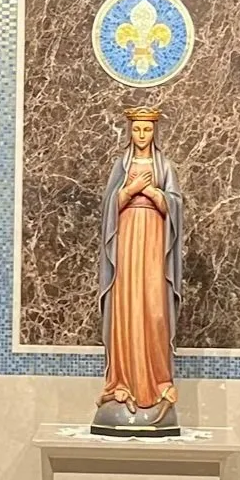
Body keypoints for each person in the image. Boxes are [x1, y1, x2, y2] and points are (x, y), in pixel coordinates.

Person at [93, 107, 185, 436]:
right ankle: (122, 383)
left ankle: (157, 385)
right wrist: (129, 192)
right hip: (128, 241)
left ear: (154, 131)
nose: (142, 136)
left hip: (154, 244)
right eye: (137, 130)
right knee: (126, 307)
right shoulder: (122, 165)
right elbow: (108, 206)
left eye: (147, 130)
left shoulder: (165, 166)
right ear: (130, 131)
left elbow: (176, 204)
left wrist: (153, 193)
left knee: (154, 310)